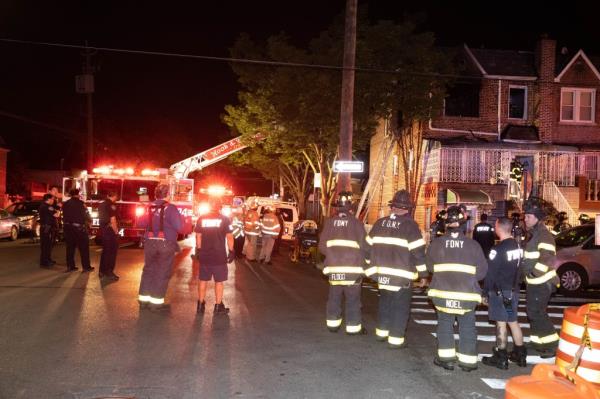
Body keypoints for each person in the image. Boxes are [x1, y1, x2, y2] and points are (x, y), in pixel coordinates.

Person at [426, 205, 488, 372]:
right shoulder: (473, 246)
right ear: (464, 225)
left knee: (445, 324)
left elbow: (429, 268)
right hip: (466, 296)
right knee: (467, 326)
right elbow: (482, 272)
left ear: (446, 224)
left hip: (442, 294)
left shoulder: (436, 244)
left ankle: (446, 360)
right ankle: (468, 362)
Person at [365, 190, 427, 348]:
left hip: (381, 275)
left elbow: (366, 249)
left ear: (392, 207)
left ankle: (381, 333)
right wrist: (423, 274)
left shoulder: (379, 223)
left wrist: (369, 268)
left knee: (385, 302)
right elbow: (418, 253)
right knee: (400, 308)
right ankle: (395, 339)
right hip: (401, 277)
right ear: (408, 208)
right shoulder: (410, 225)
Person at [319, 191, 368, 335]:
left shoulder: (329, 223)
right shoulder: (357, 224)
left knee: (334, 296)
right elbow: (365, 247)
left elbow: (322, 247)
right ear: (351, 208)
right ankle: (353, 328)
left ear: (337, 208)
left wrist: (333, 255)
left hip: (334, 269)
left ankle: (333, 325)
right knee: (353, 299)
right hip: (353, 270)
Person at [481, 217, 526, 369]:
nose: (494, 228)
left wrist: (485, 292)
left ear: (499, 228)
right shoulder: (518, 247)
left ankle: (501, 356)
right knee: (513, 321)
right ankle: (520, 355)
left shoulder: (497, 249)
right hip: (513, 291)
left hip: (500, 292)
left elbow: (491, 274)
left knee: (501, 323)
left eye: (495, 226)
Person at [522, 197, 560, 358]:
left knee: (536, 312)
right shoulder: (535, 234)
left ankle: (553, 345)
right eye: (525, 216)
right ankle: (538, 342)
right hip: (535, 282)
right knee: (532, 311)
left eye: (528, 216)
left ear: (537, 218)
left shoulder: (544, 236)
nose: (525, 219)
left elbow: (547, 259)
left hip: (542, 282)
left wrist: (532, 273)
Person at [138, 184, 184, 311]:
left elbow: (140, 223)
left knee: (148, 270)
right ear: (168, 194)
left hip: (150, 242)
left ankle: (143, 300)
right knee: (162, 272)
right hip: (165, 243)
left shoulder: (148, 207)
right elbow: (179, 227)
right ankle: (156, 303)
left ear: (155, 194)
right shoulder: (171, 208)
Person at [195, 198, 235, 315]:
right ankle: (218, 306)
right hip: (219, 255)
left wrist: (199, 250)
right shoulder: (224, 219)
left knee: (203, 280)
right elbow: (229, 237)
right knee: (219, 281)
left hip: (205, 255)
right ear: (220, 207)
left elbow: (198, 236)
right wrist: (231, 251)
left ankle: (200, 306)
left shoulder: (201, 218)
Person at [62, 189, 94, 273]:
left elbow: (64, 215)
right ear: (78, 194)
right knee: (84, 248)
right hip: (79, 229)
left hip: (68, 228)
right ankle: (86, 267)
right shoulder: (81, 204)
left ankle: (70, 266)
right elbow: (86, 214)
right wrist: (90, 221)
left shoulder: (65, 204)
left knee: (70, 248)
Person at [98, 191, 120, 281]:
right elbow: (113, 219)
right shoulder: (111, 205)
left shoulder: (102, 204)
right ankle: (109, 272)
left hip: (103, 229)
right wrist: (116, 232)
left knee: (105, 251)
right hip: (110, 230)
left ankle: (102, 271)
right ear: (114, 196)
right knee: (111, 252)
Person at [39, 193, 59, 268]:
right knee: (46, 245)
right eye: (52, 199)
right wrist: (57, 211)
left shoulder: (45, 206)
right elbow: (56, 215)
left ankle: (48, 259)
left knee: (48, 245)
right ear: (49, 199)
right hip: (46, 228)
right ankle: (44, 262)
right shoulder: (47, 207)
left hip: (46, 228)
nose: (53, 200)